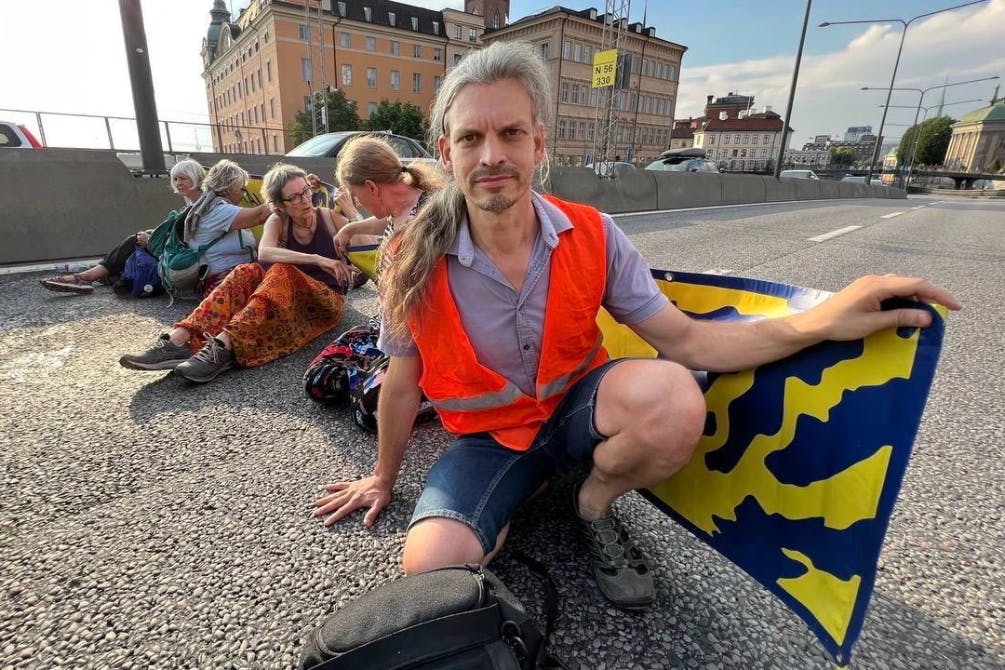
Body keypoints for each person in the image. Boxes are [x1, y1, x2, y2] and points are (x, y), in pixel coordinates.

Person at [312, 42, 961, 611]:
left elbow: (689, 341)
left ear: (538, 143)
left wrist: (821, 321)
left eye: (510, 134)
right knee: (431, 567)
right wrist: (384, 477)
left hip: (577, 415)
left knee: (674, 396)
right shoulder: (410, 256)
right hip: (487, 441)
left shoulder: (592, 235)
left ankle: (591, 504)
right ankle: (507, 505)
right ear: (446, 152)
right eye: (472, 139)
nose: (492, 156)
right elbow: (401, 383)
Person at [118, 163, 354, 383]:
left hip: (325, 301)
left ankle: (222, 348)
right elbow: (266, 252)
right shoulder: (278, 220)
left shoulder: (329, 217)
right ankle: (179, 340)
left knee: (282, 271)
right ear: (279, 205)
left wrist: (353, 214)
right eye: (294, 197)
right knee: (246, 271)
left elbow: (370, 244)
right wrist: (317, 259)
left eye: (306, 191)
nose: (305, 200)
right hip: (288, 298)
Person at [303, 135, 445, 403]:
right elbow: (388, 221)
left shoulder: (433, 215)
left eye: (356, 196)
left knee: (370, 406)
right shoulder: (400, 205)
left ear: (371, 187)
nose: (358, 204)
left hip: (420, 338)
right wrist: (352, 227)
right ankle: (375, 381)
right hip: (387, 325)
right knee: (320, 380)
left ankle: (424, 390)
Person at [38, 159, 206, 295]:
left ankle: (86, 277)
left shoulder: (202, 205)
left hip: (183, 257)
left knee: (134, 242)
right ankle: (97, 276)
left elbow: (190, 240)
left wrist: (152, 241)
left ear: (196, 178)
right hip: (176, 251)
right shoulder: (191, 202)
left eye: (183, 178)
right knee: (138, 241)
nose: (178, 183)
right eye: (175, 179)